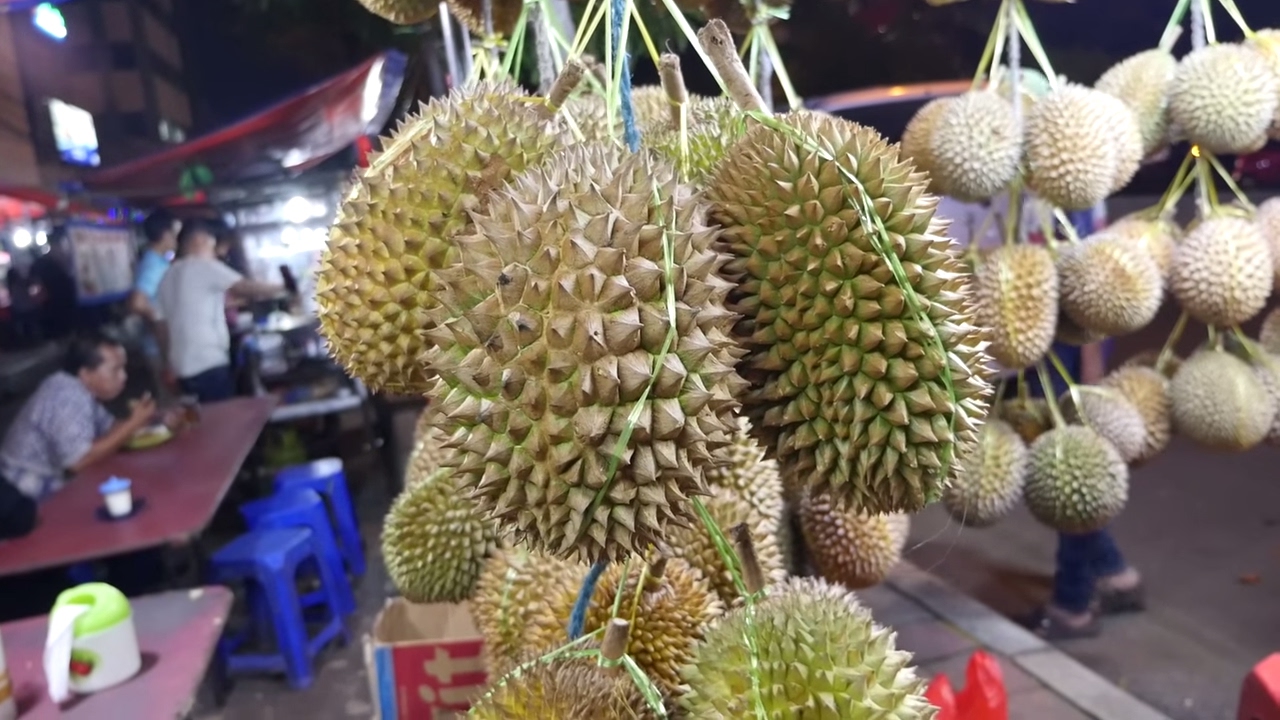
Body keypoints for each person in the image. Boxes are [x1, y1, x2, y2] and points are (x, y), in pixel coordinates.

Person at [1018, 207, 1145, 640]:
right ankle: (1115, 573)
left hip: (1064, 349)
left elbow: (1090, 275)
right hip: (1035, 338)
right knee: (1067, 468)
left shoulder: (1063, 189)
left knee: (1066, 471)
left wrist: (1090, 372)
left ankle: (1073, 603)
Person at [0, 333, 160, 502]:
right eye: (115, 369)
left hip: (48, 478)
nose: (124, 377)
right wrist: (133, 423)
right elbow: (78, 461)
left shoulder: (81, 390)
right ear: (86, 374)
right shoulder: (66, 397)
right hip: (23, 490)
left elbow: (111, 428)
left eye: (123, 368)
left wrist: (155, 420)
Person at [155, 219, 286, 403]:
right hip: (208, 363)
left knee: (199, 422)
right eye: (212, 243)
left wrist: (168, 364)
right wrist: (283, 287)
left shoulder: (166, 277)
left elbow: (161, 327)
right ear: (200, 240)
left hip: (181, 367)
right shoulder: (203, 266)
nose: (214, 251)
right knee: (222, 419)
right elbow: (244, 287)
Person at [29, 226, 78, 339]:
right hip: (52, 306)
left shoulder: (69, 259)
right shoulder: (42, 263)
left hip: (67, 304)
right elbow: (35, 285)